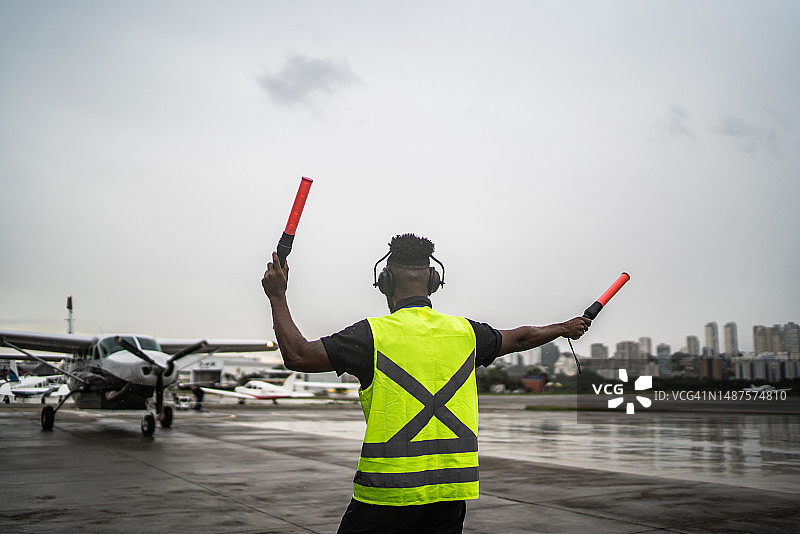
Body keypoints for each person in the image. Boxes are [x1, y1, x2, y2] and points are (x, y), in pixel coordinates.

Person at [261, 233, 590, 534]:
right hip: (448, 494)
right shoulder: (466, 333)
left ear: (386, 282)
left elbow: (299, 356)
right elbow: (522, 337)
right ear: (433, 281)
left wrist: (277, 295)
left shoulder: (371, 335)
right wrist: (563, 327)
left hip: (385, 497)